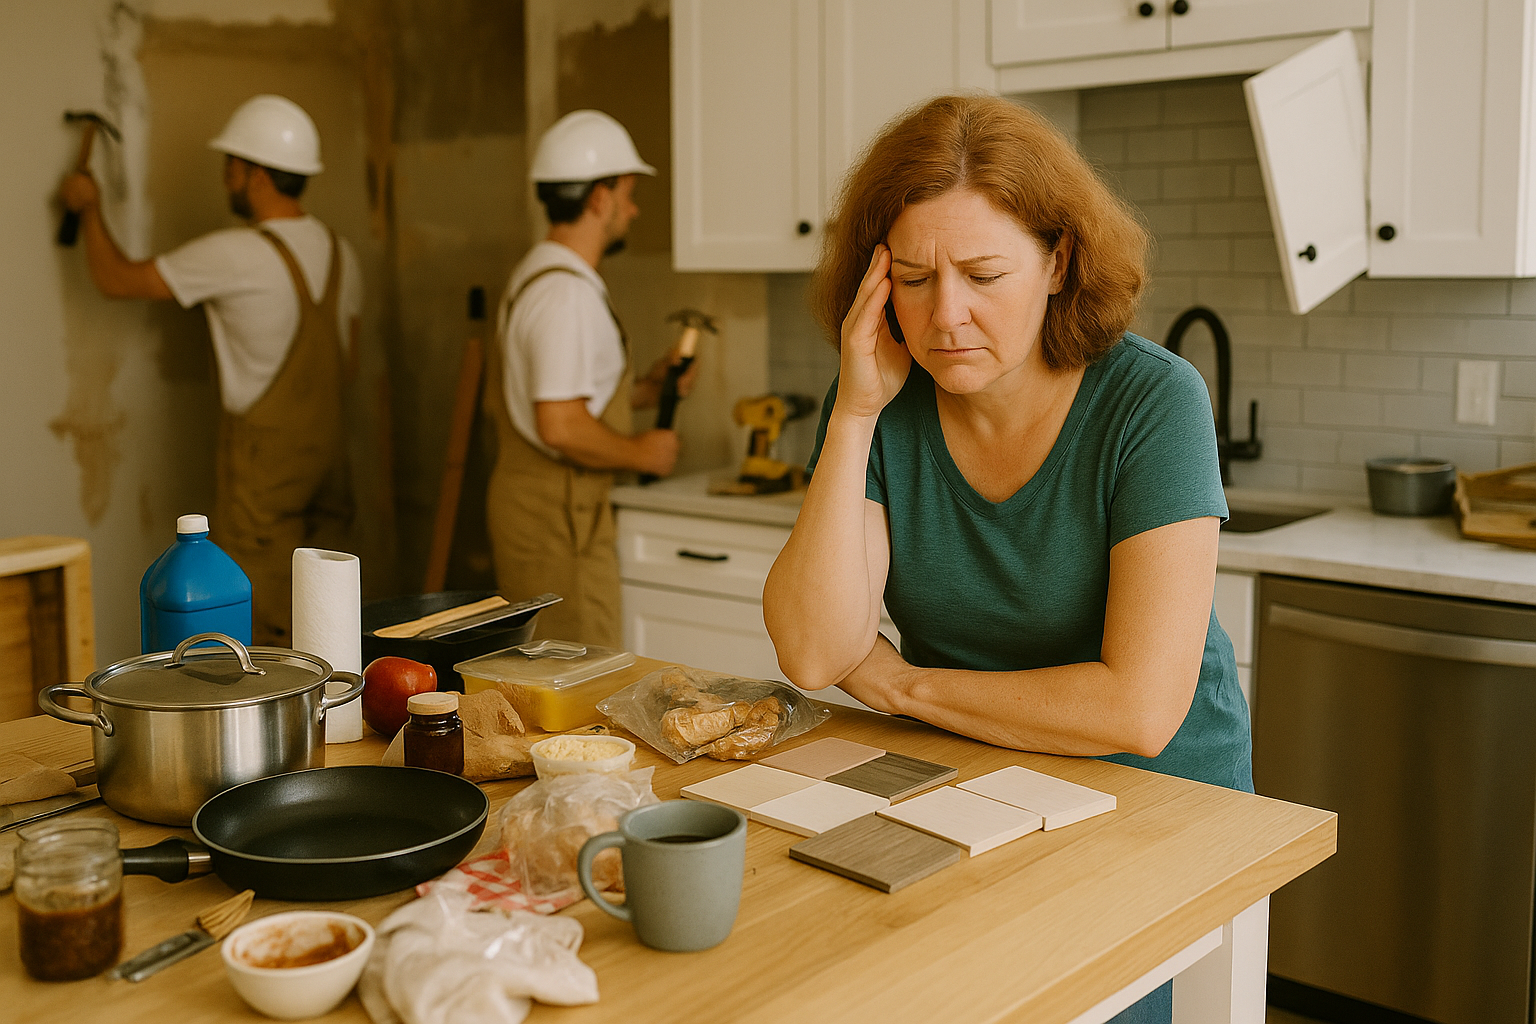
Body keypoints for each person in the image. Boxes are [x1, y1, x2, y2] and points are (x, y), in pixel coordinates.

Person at [762, 95, 1250, 1024]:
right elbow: (818, 652)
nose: (946, 316)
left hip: (1160, 800)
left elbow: (1137, 709)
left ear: (1059, 260)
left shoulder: (1152, 401)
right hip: (973, 778)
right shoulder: (880, 397)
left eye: (984, 274)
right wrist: (857, 412)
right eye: (912, 278)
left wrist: (906, 688)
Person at [60, 94, 362, 646]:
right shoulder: (340, 252)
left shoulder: (236, 253)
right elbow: (353, 358)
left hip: (265, 473)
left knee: (266, 622)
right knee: (327, 613)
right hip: (332, 461)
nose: (225, 176)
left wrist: (88, 209)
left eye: (232, 165)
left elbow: (117, 279)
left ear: (258, 174)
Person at [486, 110, 695, 648]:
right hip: (560, 523)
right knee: (575, 673)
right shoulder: (567, 295)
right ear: (598, 198)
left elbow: (571, 396)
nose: (633, 208)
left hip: (550, 514)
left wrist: (647, 390)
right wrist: (641, 453)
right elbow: (558, 424)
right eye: (626, 193)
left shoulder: (543, 273)